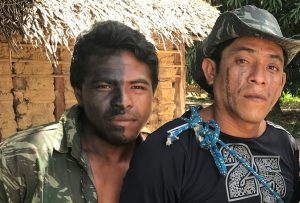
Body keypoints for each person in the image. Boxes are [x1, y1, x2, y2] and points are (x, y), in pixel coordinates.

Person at [119, 5, 300, 203]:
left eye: (272, 67)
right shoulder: (166, 152)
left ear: (281, 82)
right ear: (211, 71)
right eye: (243, 60)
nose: (259, 77)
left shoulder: (285, 144)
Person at [0, 20, 158, 203]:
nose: (123, 102)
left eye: (137, 87)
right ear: (79, 92)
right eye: (104, 86)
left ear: (153, 92)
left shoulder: (169, 163)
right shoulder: (18, 161)